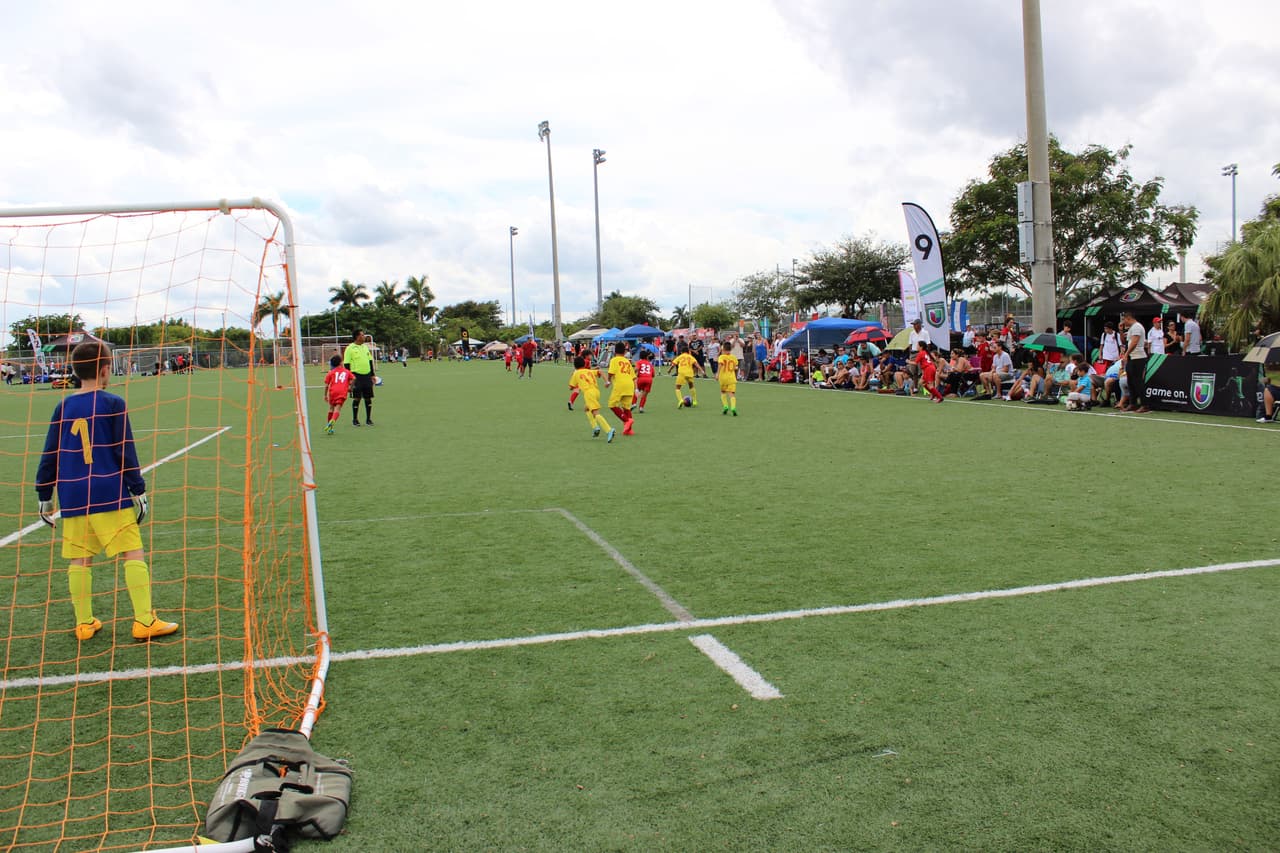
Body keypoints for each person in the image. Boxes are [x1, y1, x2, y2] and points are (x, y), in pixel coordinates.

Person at [34, 341, 179, 642]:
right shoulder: (114, 403)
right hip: (108, 492)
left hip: (72, 495)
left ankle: (84, 623)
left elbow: (50, 453)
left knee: (80, 558)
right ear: (104, 370)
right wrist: (138, 490)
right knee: (132, 552)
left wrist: (44, 495)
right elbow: (125, 450)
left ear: (75, 371)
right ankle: (143, 621)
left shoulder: (63, 406)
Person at [568, 355, 615, 442]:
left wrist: (573, 378)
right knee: (586, 409)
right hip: (596, 392)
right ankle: (595, 427)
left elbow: (571, 387)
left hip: (589, 393)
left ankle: (609, 430)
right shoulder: (589, 371)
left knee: (595, 413)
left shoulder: (576, 373)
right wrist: (607, 381)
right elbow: (600, 372)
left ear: (575, 366)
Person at [342, 330, 376, 426]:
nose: (364, 336)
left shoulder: (365, 347)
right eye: (362, 335)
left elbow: (370, 361)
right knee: (357, 398)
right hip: (356, 376)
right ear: (357, 337)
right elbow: (346, 364)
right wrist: (349, 378)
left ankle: (368, 419)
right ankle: (355, 419)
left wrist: (372, 375)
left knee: (368, 398)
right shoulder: (350, 348)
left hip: (367, 375)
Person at [605, 341, 637, 436]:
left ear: (615, 351)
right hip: (629, 385)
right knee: (626, 408)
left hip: (620, 384)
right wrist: (636, 388)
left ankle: (627, 420)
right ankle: (629, 430)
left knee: (612, 405)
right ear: (624, 352)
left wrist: (608, 381)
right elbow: (634, 376)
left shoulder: (614, 360)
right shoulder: (627, 361)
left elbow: (611, 372)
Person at [1122, 311, 1150, 413]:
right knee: (1130, 382)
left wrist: (1126, 354)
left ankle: (1144, 404)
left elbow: (1134, 342)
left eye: (1124, 319)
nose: (1123, 322)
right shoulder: (1131, 328)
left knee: (1138, 381)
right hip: (1131, 357)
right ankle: (1132, 403)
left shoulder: (1137, 327)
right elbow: (1127, 341)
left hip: (1138, 357)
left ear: (1128, 318)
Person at [322, 354, 352, 435]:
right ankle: (332, 421)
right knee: (337, 409)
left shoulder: (331, 372)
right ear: (341, 363)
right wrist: (350, 387)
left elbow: (326, 385)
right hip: (342, 392)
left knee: (331, 408)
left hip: (332, 392)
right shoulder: (347, 372)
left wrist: (325, 395)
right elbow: (354, 378)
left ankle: (330, 428)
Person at [717, 343, 740, 414]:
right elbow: (736, 367)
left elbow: (720, 365)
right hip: (731, 378)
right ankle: (733, 407)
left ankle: (725, 406)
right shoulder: (734, 358)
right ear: (731, 349)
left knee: (723, 392)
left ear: (723, 349)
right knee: (732, 394)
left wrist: (717, 374)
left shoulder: (721, 357)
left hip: (723, 378)